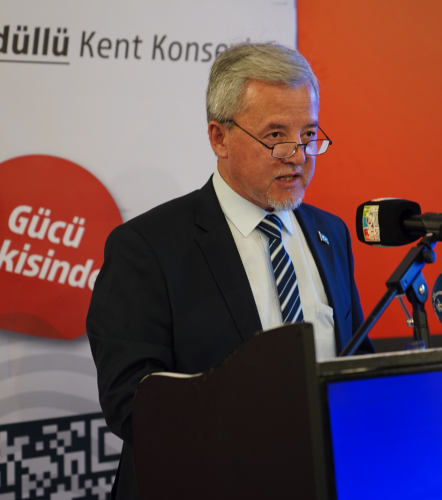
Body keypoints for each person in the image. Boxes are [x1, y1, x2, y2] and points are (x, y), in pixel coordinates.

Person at [86, 42, 374, 499]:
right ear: (219, 138)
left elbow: (354, 359)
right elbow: (132, 403)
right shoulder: (147, 248)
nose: (298, 154)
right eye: (275, 135)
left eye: (308, 134)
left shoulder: (330, 232)